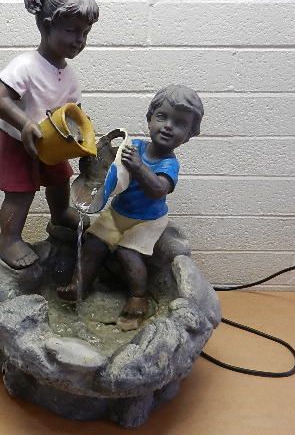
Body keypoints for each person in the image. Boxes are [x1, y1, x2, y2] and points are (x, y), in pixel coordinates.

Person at [57, 85, 204, 330]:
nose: (168, 125)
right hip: (118, 212)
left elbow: (157, 189)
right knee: (93, 243)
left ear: (189, 134)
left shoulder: (169, 164)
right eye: (162, 116)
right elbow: (111, 164)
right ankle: (79, 284)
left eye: (179, 123)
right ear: (149, 119)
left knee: (128, 254)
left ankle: (138, 297)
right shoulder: (134, 145)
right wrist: (101, 154)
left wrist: (138, 167)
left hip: (146, 221)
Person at [0, 0, 99, 270]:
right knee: (20, 192)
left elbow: (76, 114)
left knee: (60, 180)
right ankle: (9, 239)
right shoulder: (26, 65)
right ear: (47, 26)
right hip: (18, 140)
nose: (79, 40)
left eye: (85, 33)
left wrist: (87, 144)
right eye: (72, 30)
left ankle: (60, 214)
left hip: (53, 142)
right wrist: (24, 124)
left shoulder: (69, 76)